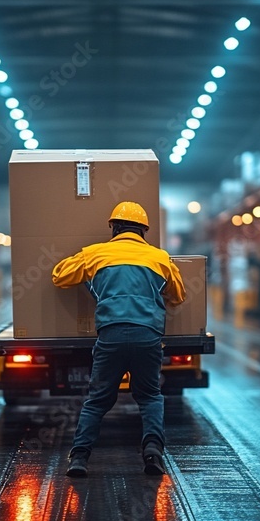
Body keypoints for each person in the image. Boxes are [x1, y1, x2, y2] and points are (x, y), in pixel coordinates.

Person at [52, 201, 186, 477]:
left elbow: (59, 276)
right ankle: (152, 452)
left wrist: (90, 273)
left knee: (97, 400)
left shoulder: (95, 254)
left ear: (113, 228)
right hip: (148, 336)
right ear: (143, 231)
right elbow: (179, 296)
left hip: (110, 335)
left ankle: (79, 458)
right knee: (149, 396)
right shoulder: (160, 258)